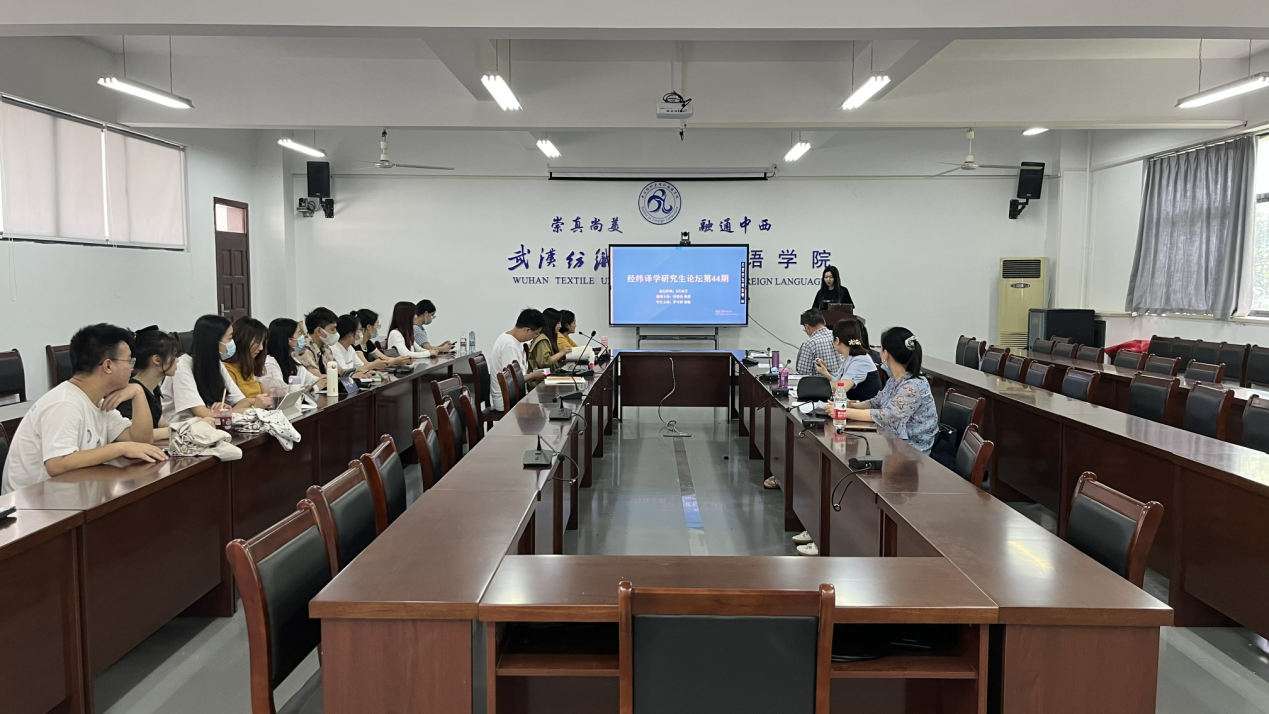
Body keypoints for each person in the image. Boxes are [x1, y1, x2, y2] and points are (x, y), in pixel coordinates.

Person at [2, 323, 166, 494]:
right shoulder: (64, 403)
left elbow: (141, 441)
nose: (132, 368)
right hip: (32, 504)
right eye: (129, 361)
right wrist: (121, 448)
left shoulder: (99, 402)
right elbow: (57, 464)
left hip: (67, 493)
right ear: (108, 366)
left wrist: (138, 393)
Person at [843, 327, 938, 453]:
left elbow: (887, 416)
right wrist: (849, 405)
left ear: (886, 354)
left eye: (881, 349)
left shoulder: (912, 387)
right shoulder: (895, 379)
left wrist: (843, 412)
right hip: (893, 443)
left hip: (913, 452)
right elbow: (876, 402)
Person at [170, 314, 266, 422]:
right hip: (183, 428)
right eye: (230, 338)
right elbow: (203, 414)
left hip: (211, 425)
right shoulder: (181, 367)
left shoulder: (217, 364)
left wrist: (226, 410)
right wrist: (253, 410)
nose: (233, 343)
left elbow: (242, 401)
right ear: (214, 340)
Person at [118, 326, 180, 437]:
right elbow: (135, 435)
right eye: (174, 355)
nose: (177, 360)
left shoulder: (154, 390)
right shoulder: (129, 393)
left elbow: (161, 424)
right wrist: (184, 429)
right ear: (157, 360)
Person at [488, 308, 548, 411]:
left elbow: (519, 374)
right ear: (527, 330)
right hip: (506, 400)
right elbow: (511, 380)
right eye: (536, 334)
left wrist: (534, 374)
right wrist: (533, 375)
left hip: (515, 395)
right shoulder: (508, 345)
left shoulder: (515, 341)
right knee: (545, 407)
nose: (535, 337)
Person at [814, 319, 881, 401]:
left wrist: (815, 387)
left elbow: (842, 387)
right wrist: (825, 372)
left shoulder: (861, 360)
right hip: (853, 405)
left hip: (863, 407)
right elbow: (840, 381)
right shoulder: (852, 357)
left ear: (837, 340)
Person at [223, 317, 270, 401]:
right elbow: (237, 402)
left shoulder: (247, 366)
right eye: (257, 342)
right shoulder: (227, 369)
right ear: (243, 340)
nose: (261, 348)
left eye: (262, 342)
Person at [264, 318, 320, 388]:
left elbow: (312, 380)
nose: (303, 337)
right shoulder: (270, 363)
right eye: (299, 334)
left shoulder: (292, 360)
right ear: (289, 340)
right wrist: (313, 388)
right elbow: (280, 391)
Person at [793, 309, 843, 376]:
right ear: (824, 322)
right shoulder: (839, 336)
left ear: (807, 327)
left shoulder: (810, 344)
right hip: (842, 381)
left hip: (821, 382)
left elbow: (803, 375)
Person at [299, 307, 338, 378]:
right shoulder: (303, 348)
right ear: (319, 331)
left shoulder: (325, 347)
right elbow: (318, 377)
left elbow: (339, 370)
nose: (335, 332)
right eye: (332, 329)